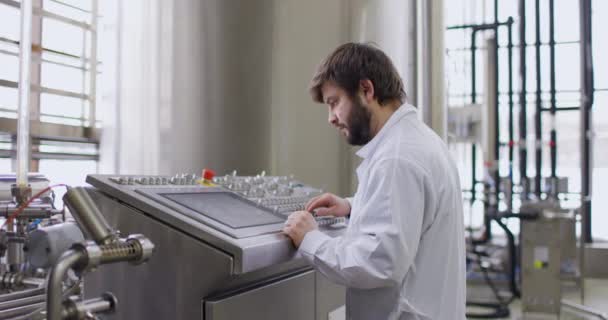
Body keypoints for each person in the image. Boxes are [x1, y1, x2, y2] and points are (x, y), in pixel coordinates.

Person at [282, 43, 466, 320]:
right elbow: (412, 211)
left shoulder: (397, 158)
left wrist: (310, 238)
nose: (331, 118)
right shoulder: (418, 142)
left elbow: (378, 262)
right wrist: (352, 206)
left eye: (334, 102)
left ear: (366, 90)